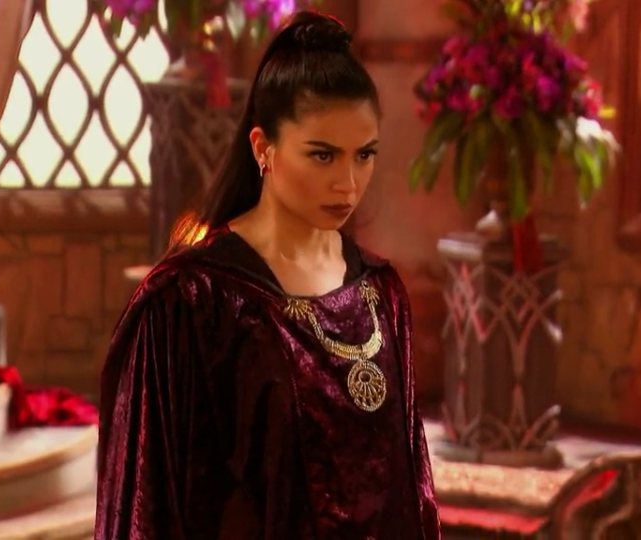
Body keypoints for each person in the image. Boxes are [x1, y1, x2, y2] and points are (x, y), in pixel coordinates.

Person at [96, 10, 441, 540]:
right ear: (263, 148)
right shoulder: (193, 301)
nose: (348, 184)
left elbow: (410, 495)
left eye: (364, 155)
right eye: (323, 156)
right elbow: (149, 508)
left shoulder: (381, 292)